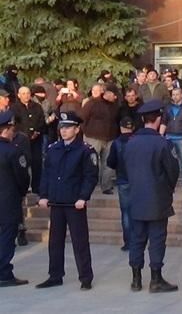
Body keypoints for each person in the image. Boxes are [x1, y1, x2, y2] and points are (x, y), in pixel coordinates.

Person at [35, 111, 98, 290]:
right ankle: (55, 275)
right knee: (55, 241)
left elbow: (90, 176)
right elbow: (46, 174)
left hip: (74, 203)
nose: (64, 131)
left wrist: (83, 197)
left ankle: (85, 277)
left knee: (80, 242)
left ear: (77, 129)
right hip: (56, 201)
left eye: (68, 127)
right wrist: (44, 195)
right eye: (62, 127)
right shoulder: (54, 148)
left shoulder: (85, 150)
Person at [124, 100, 180, 293]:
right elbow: (173, 171)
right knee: (156, 239)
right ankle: (156, 279)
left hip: (136, 196)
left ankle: (136, 279)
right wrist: (168, 189)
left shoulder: (130, 143)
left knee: (136, 238)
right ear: (158, 119)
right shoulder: (163, 143)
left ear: (142, 119)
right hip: (157, 198)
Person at [0, 110, 30, 287]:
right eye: (12, 130)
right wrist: (22, 192)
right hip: (8, 200)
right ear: (6, 130)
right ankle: (4, 272)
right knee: (7, 236)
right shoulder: (13, 152)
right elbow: (23, 178)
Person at [80, 83, 119, 195]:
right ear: (107, 93)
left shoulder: (114, 105)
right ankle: (87, 184)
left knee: (108, 163)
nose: (115, 97)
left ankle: (106, 186)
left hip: (110, 137)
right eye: (114, 95)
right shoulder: (92, 103)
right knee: (90, 161)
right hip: (93, 137)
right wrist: (86, 132)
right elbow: (82, 118)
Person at [107, 118, 135, 252]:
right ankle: (139, 239)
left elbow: (110, 162)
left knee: (126, 212)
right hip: (138, 180)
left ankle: (128, 242)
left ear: (121, 128)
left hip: (123, 180)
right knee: (138, 210)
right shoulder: (137, 141)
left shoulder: (116, 143)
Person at [160, 88, 182, 194]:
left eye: (177, 94)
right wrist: (160, 135)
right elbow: (164, 122)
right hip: (169, 138)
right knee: (169, 163)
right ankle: (170, 186)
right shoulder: (168, 107)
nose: (175, 96)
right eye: (173, 94)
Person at [11, 86, 45, 194]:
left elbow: (41, 121)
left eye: (28, 93)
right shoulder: (14, 108)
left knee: (37, 163)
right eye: (24, 93)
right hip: (21, 141)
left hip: (36, 139)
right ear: (19, 95)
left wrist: (37, 131)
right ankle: (23, 188)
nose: (26, 95)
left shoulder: (37, 107)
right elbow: (14, 124)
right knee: (23, 163)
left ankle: (37, 187)